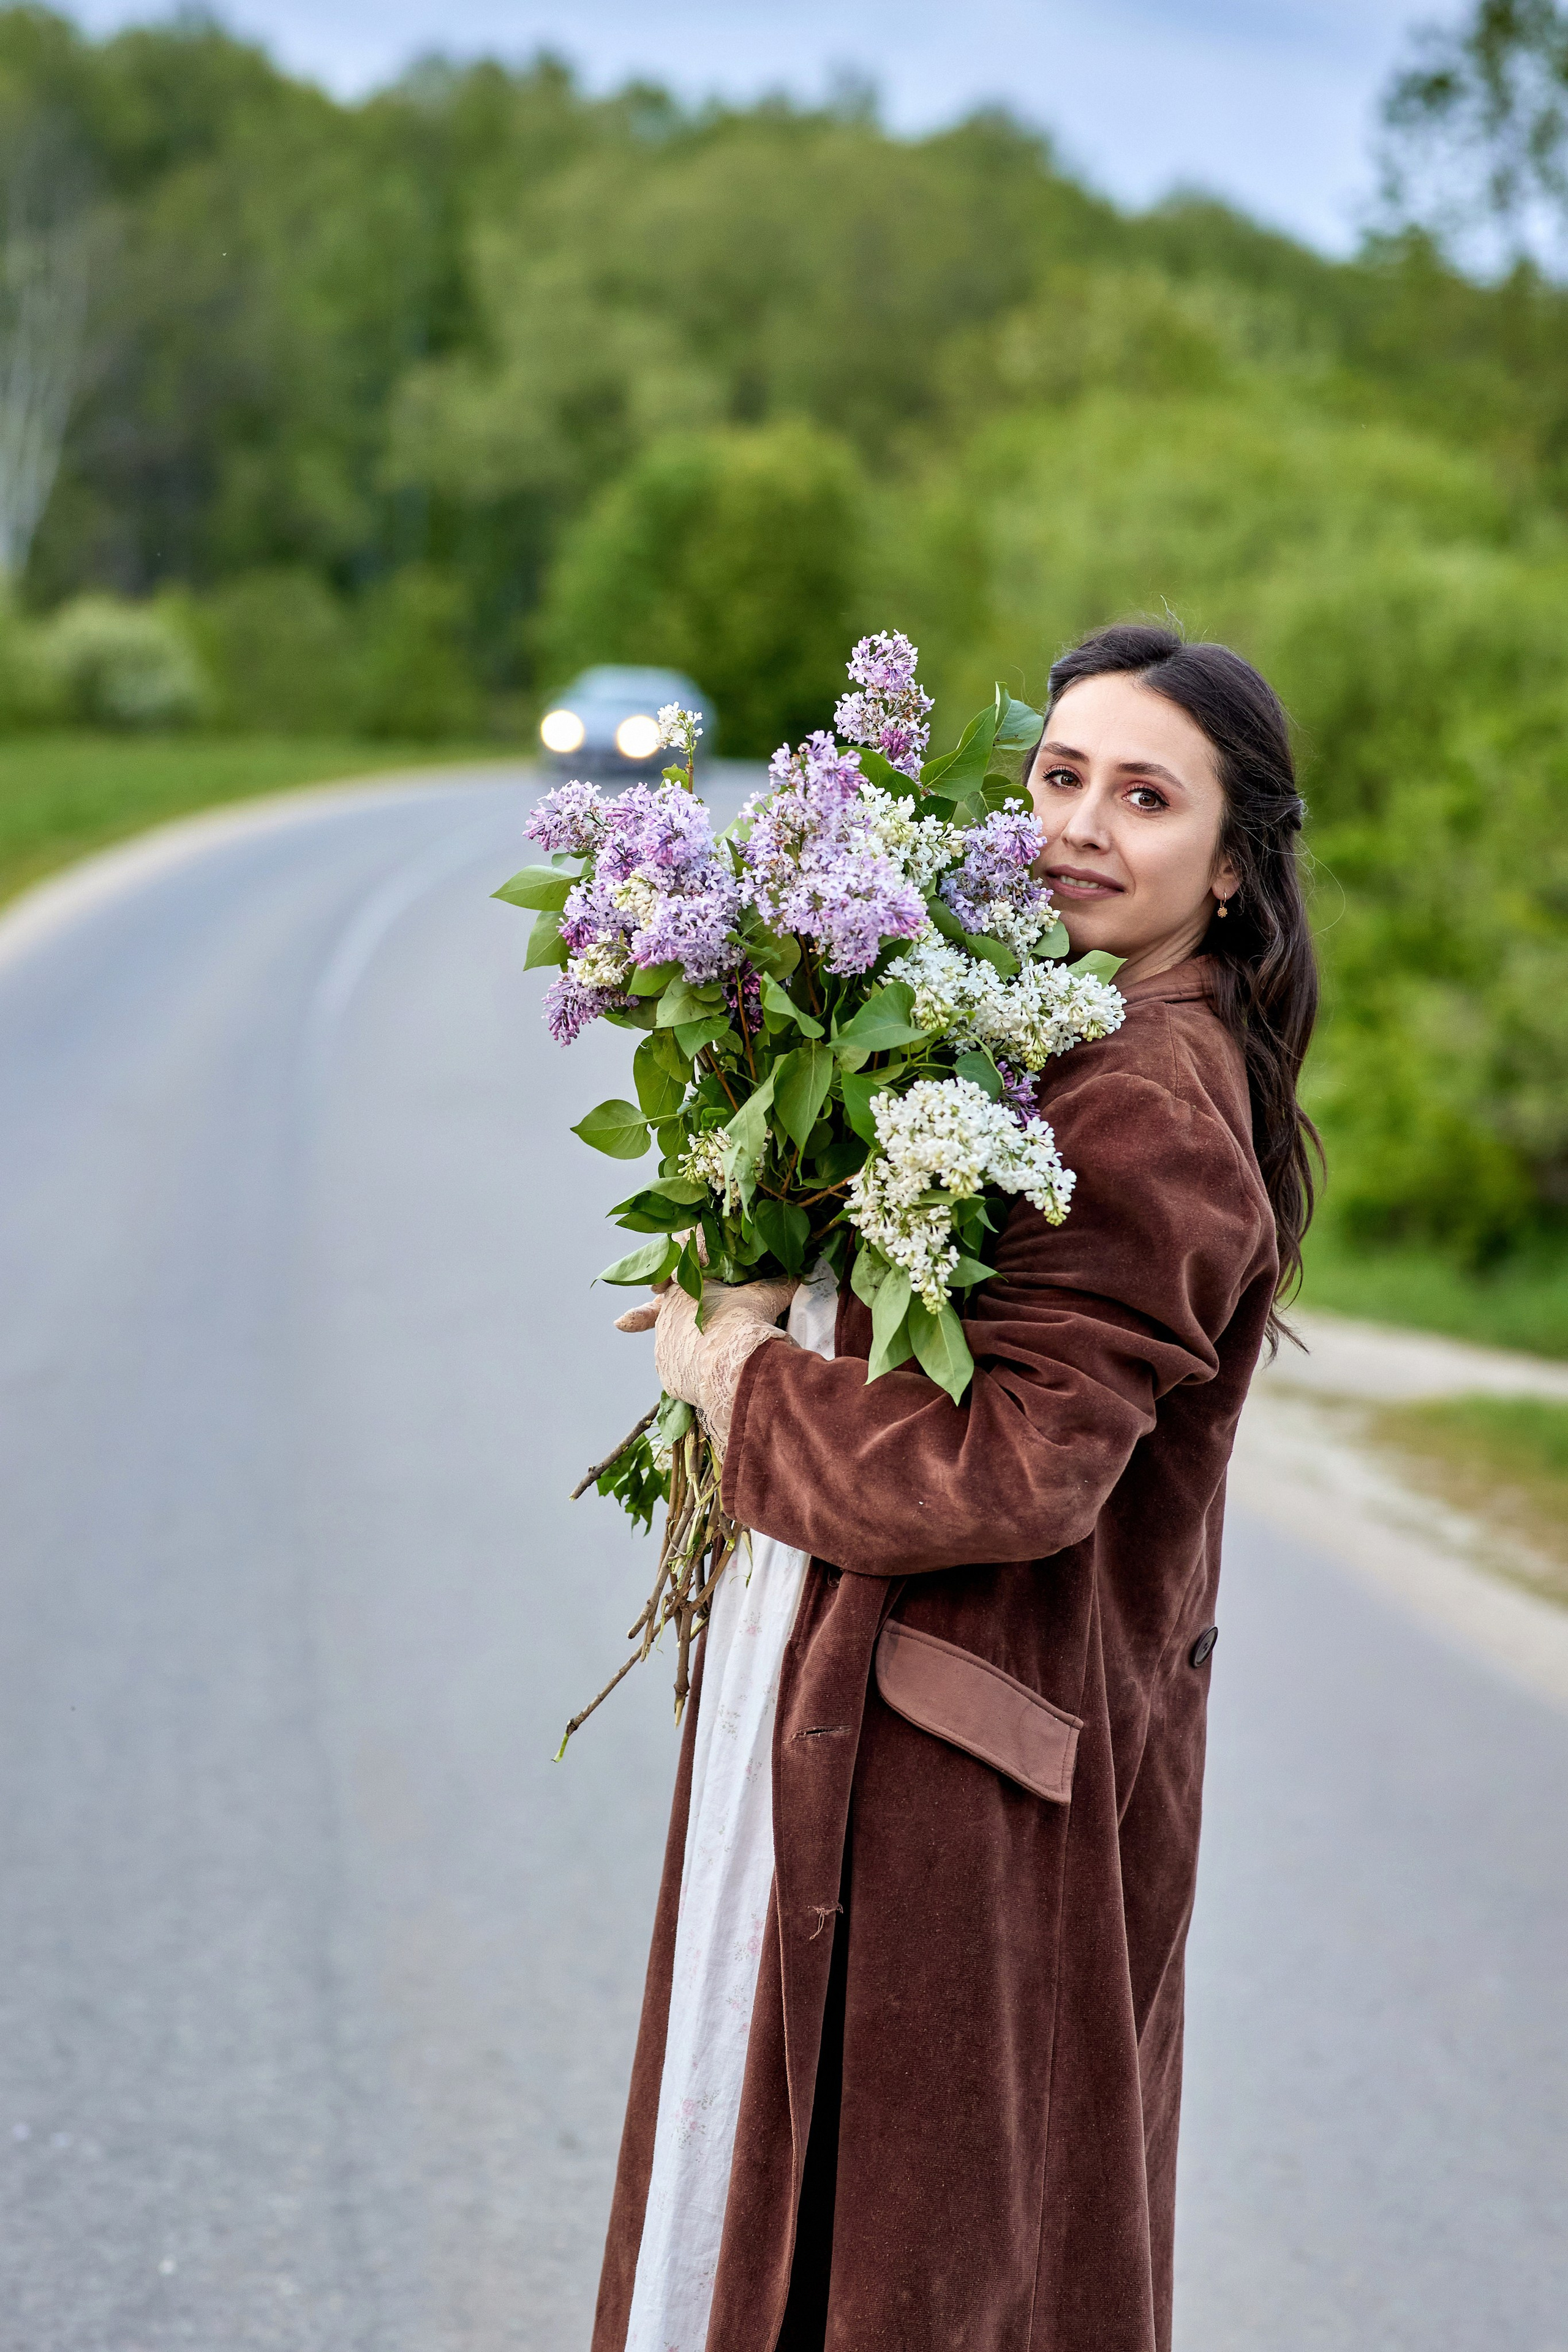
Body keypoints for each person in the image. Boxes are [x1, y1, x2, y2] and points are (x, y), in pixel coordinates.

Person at [592, 622, 1319, 2352]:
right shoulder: (1039, 1025)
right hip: (930, 1726)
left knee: (905, 2274)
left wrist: (734, 1372)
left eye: (1145, 797)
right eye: (1060, 777)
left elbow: (1012, 1471)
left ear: (1231, 869)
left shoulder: (1150, 1105)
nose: (1078, 825)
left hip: (959, 1790)